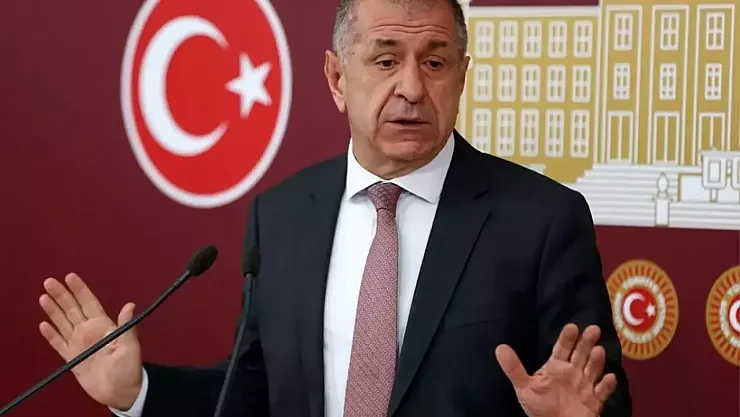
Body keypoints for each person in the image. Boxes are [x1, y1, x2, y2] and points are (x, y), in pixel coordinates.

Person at [37, 0, 632, 416]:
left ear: (461, 77)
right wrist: (137, 391)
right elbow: (251, 392)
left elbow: (593, 396)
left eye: (434, 62)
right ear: (336, 77)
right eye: (385, 60)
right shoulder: (283, 217)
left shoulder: (541, 221)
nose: (412, 88)